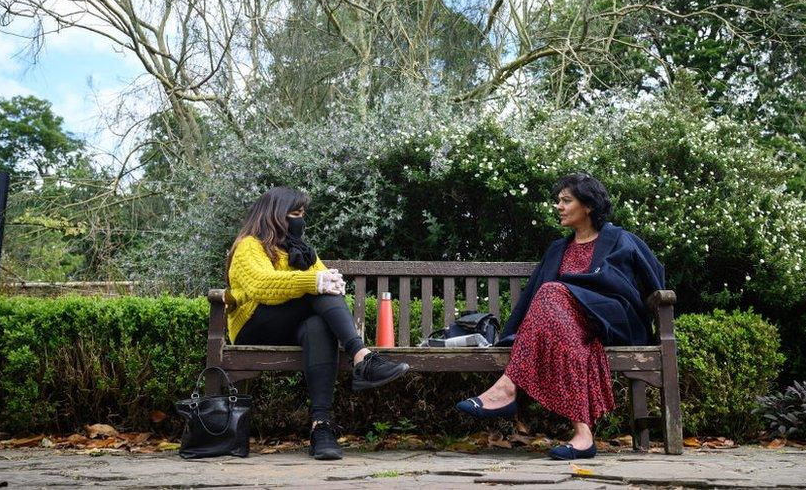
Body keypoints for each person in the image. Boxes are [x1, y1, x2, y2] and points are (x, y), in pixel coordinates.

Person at [455, 173, 665, 460]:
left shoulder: (620, 239)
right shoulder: (558, 249)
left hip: (611, 320)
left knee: (552, 291)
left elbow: (656, 277)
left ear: (588, 205)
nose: (559, 206)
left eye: (566, 200)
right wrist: (516, 334)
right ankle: (583, 435)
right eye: (558, 201)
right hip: (571, 330)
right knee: (560, 314)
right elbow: (533, 298)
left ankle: (507, 387)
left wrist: (657, 311)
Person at [225, 186, 410, 460]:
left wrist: (327, 281)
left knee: (318, 325)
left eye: (303, 214)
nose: (302, 220)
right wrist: (317, 282)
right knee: (317, 291)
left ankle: (321, 427)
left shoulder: (300, 250)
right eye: (296, 214)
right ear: (276, 215)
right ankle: (362, 357)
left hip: (289, 328)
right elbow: (261, 286)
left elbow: (323, 282)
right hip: (254, 325)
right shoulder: (249, 245)